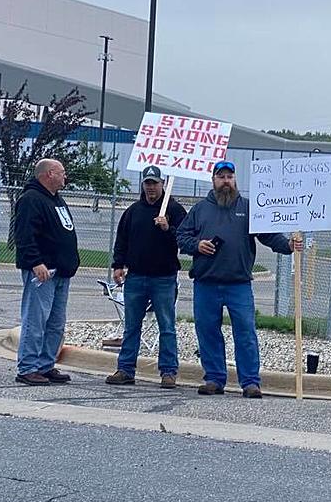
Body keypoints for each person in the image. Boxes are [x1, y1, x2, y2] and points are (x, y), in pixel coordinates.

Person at [176, 160, 302, 398]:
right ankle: (214, 378)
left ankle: (250, 382)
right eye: (221, 176)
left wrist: (288, 245)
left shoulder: (248, 208)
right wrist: (197, 245)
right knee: (208, 331)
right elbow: (181, 236)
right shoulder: (200, 209)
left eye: (230, 176)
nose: (226, 181)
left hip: (239, 284)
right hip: (206, 283)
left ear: (235, 180)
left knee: (245, 333)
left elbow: (269, 235)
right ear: (213, 180)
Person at [105, 166, 188, 389]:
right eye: (147, 183)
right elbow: (122, 240)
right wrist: (118, 265)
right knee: (131, 326)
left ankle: (169, 371)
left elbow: (185, 240)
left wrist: (167, 228)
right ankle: (125, 369)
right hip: (136, 277)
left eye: (155, 183)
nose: (151, 187)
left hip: (164, 278)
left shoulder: (175, 210)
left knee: (167, 326)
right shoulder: (133, 211)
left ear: (163, 184)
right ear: (143, 185)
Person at [13, 158, 80, 386]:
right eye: (62, 173)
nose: (65, 177)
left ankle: (45, 365)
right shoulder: (31, 199)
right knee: (36, 319)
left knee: (55, 322)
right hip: (42, 271)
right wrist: (36, 262)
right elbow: (24, 235)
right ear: (49, 174)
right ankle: (28, 368)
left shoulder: (56, 199)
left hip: (61, 271)